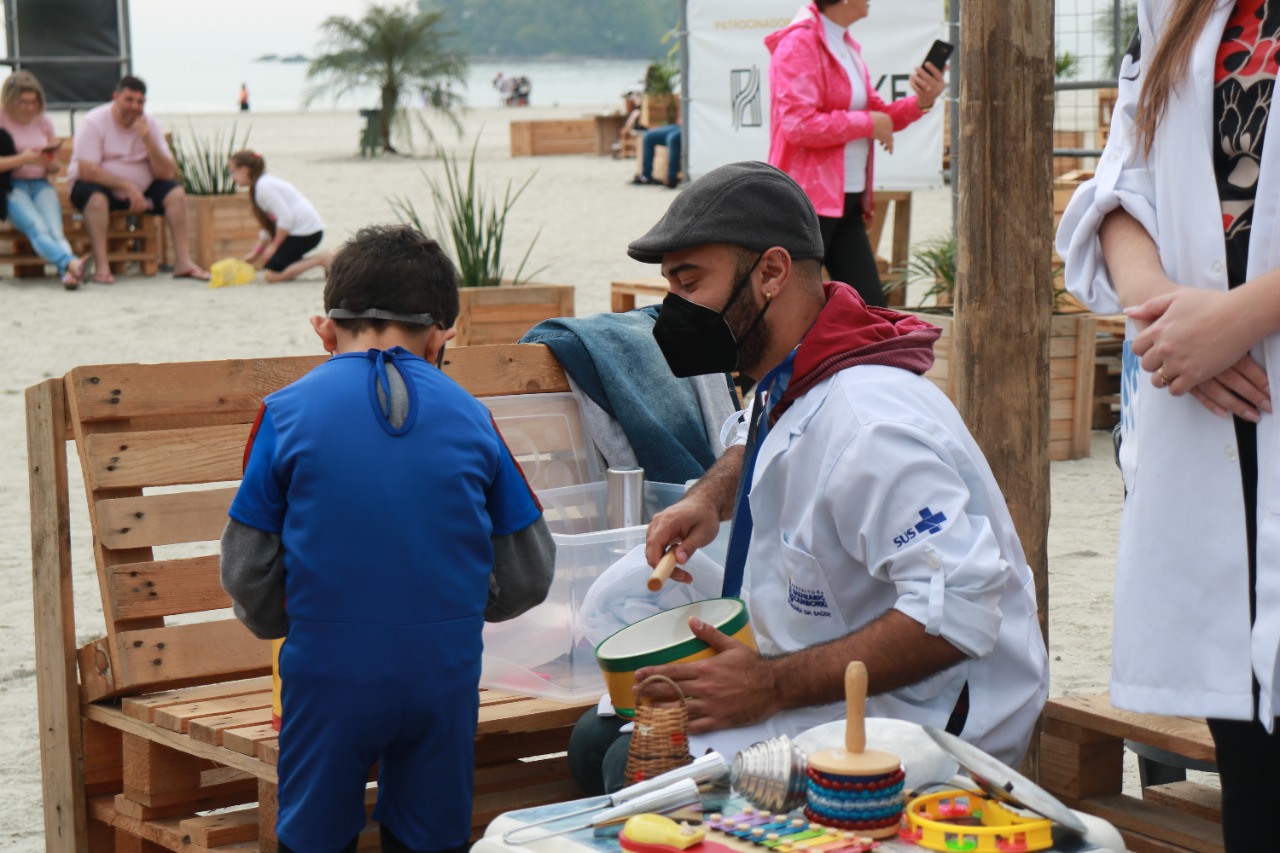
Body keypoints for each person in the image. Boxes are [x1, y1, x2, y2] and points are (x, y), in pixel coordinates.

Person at [568, 161, 1048, 795]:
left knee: (630, 765)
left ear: (771, 272)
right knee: (594, 738)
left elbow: (957, 612)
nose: (673, 311)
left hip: (923, 728)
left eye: (689, 283)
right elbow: (758, 433)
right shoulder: (800, 368)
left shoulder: (872, 425)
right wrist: (710, 497)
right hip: (818, 682)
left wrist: (768, 686)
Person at [220, 224, 557, 853]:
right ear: (441, 335)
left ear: (324, 329)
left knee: (314, 836)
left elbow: (246, 569)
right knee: (430, 836)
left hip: (326, 672)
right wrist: (454, 607)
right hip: (443, 674)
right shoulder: (471, 415)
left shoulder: (284, 412)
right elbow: (530, 571)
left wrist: (287, 622)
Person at [1056, 2, 1280, 849]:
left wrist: (1243, 314)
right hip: (1214, 428)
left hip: (1241, 376)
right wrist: (1169, 318)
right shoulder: (1176, 8)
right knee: (1251, 758)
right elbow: (1121, 183)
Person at [765, 1, 946, 308]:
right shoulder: (799, 42)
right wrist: (868, 123)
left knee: (868, 310)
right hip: (806, 203)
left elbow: (881, 116)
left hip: (845, 201)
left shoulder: (845, 44)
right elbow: (798, 125)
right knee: (788, 311)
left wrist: (922, 101)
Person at [67, 75, 209, 282]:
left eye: (140, 102)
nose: (135, 107)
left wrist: (148, 141)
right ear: (116, 97)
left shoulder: (149, 125)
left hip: (142, 189)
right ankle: (102, 267)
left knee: (176, 193)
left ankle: (183, 262)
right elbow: (88, 170)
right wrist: (127, 186)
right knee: (96, 200)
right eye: (129, 100)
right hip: (98, 186)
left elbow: (167, 173)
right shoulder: (94, 121)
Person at [0, 71, 91, 289]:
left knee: (54, 230)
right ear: (10, 99)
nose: (29, 107)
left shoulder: (43, 120)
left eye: (34, 102)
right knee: (37, 227)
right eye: (23, 102)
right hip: (11, 186)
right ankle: (69, 263)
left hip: (41, 183)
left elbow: (56, 164)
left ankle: (69, 273)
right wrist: (23, 158)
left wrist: (50, 163)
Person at [229, 150, 332, 283]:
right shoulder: (262, 184)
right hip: (306, 230)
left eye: (232, 172)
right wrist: (257, 253)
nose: (232, 177)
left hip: (305, 233)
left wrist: (274, 246)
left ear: (244, 170)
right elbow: (270, 224)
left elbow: (285, 220)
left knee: (271, 274)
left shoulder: (263, 186)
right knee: (272, 264)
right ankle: (321, 259)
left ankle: (322, 259)